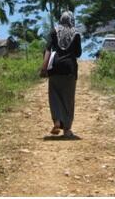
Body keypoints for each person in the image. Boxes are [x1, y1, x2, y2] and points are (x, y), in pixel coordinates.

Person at [40, 11, 82, 139]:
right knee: (68, 100)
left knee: (55, 96)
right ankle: (67, 129)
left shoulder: (54, 31)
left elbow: (48, 49)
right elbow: (78, 53)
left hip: (55, 68)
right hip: (69, 69)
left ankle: (57, 121)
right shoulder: (76, 33)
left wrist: (44, 67)